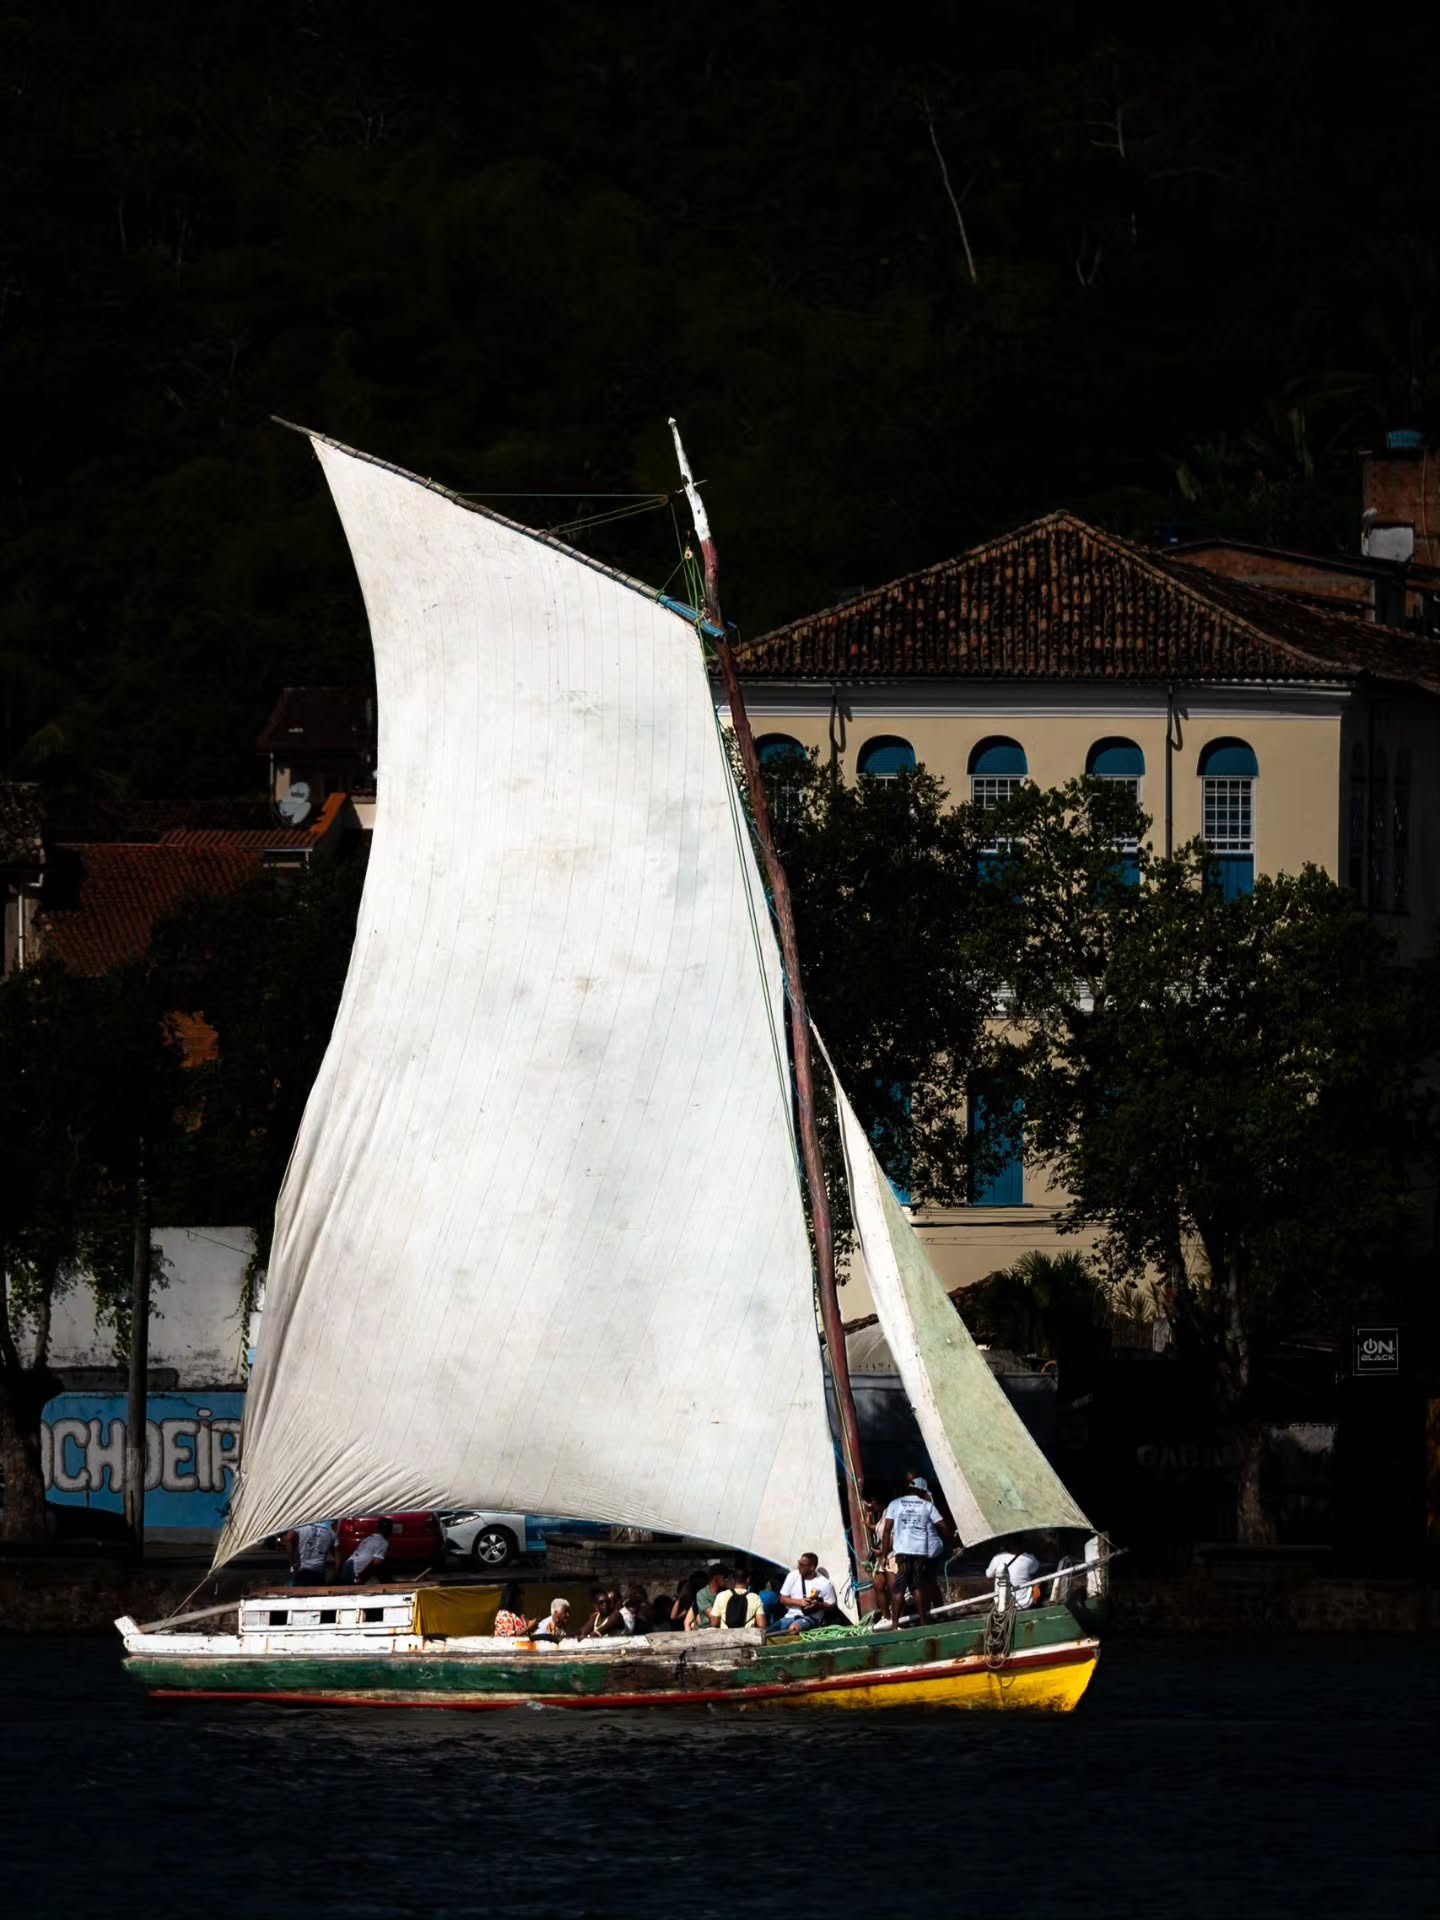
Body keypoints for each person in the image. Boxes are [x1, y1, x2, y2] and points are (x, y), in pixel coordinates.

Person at [879, 1473, 949, 1628]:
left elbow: (886, 1530)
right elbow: (943, 1526)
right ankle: (924, 1622)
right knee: (918, 1585)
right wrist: (951, 1543)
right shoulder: (927, 1506)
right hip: (920, 1552)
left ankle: (894, 1624)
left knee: (899, 1588)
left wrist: (884, 1555)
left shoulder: (895, 1504)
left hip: (902, 1552)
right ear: (922, 1492)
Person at [771, 1553, 838, 1634]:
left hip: (810, 1618)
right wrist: (800, 1602)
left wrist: (818, 1605)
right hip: (790, 1616)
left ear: (812, 1567)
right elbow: (782, 1599)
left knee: (793, 1629)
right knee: (769, 1631)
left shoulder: (825, 1584)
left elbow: (832, 1606)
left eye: (802, 1565)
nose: (799, 1566)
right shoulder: (793, 1575)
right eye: (799, 1563)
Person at [986, 1543, 1043, 1609]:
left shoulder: (997, 1558)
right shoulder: (1030, 1558)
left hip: (1001, 1603)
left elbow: (989, 1576)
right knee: (1038, 1581)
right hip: (1025, 1603)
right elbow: (1036, 1570)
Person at [709, 1566, 766, 1631]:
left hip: (726, 1637)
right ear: (748, 1580)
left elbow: (714, 1623)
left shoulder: (721, 1595)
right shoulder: (755, 1598)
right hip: (746, 1638)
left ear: (733, 1580)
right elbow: (762, 1625)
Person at [341, 1517, 393, 1583]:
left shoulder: (369, 1538)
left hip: (349, 1563)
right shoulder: (383, 1542)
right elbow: (375, 1562)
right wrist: (361, 1577)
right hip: (356, 1569)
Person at [287, 1518, 336, 1586]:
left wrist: (293, 1563)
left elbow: (289, 1538)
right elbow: (338, 1551)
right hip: (318, 1571)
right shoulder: (330, 1531)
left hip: (300, 1569)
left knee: (295, 1594)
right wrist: (338, 1572)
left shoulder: (301, 1526)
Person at [686, 1563, 731, 1630]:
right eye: (725, 1577)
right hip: (707, 1630)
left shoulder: (727, 1592)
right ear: (716, 1577)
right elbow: (713, 1618)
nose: (727, 1579)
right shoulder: (702, 1594)